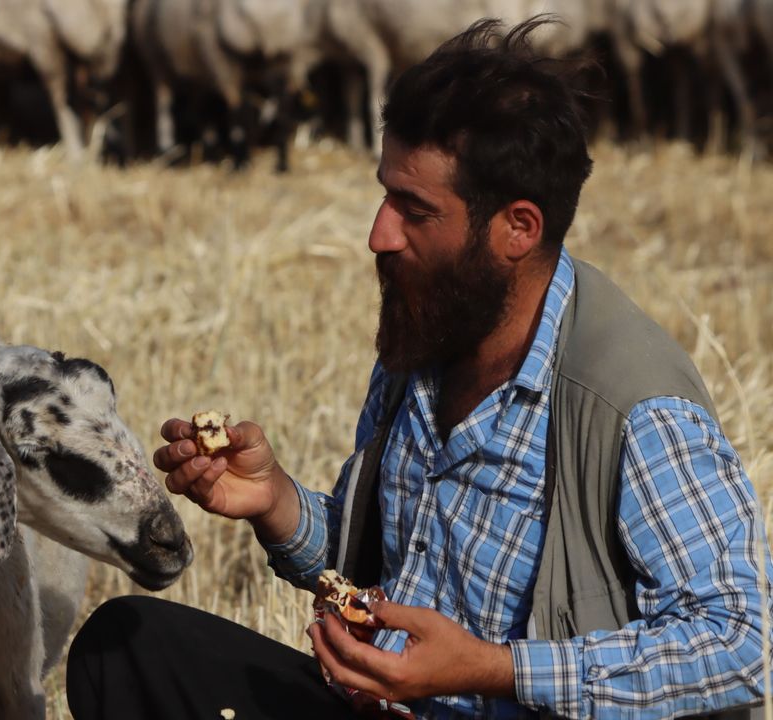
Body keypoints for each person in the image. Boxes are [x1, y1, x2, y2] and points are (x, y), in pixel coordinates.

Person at [66, 17, 772, 720]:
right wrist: (275, 503)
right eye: (386, 195)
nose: (379, 234)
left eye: (415, 210)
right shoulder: (430, 334)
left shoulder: (632, 403)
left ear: (517, 228)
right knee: (125, 645)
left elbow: (743, 640)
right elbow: (387, 572)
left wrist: (496, 670)